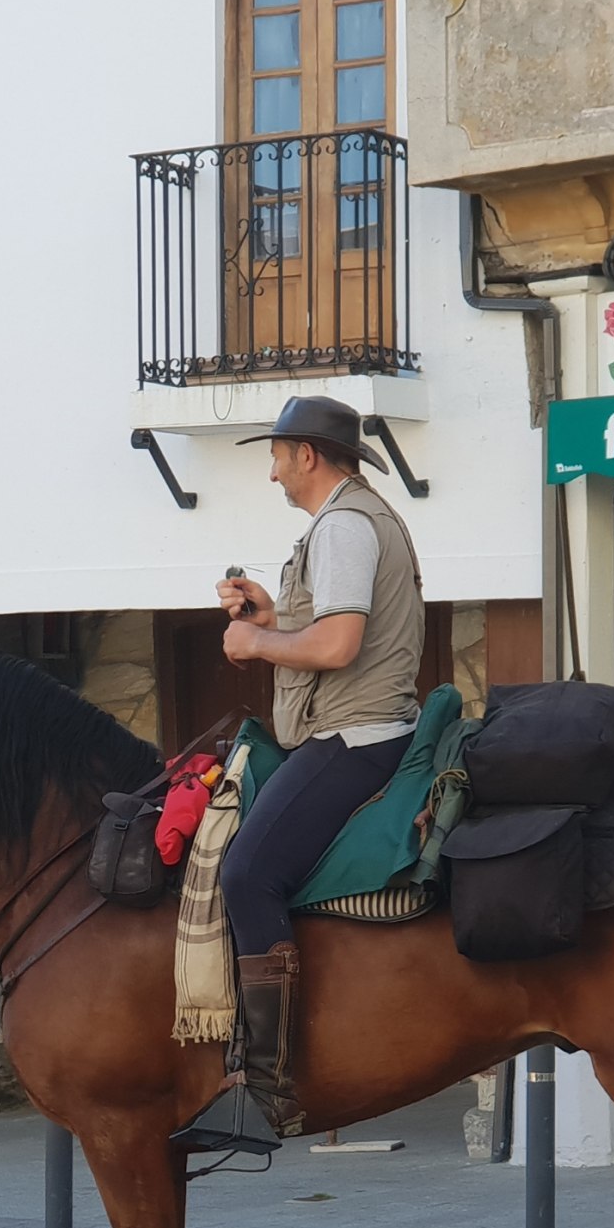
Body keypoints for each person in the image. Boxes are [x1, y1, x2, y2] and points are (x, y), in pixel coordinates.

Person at [171, 395, 424, 1156]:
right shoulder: (349, 520)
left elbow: (341, 645)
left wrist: (252, 641)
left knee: (247, 874)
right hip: (356, 728)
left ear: (308, 455)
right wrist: (274, 615)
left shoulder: (344, 526)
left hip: (355, 736)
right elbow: (328, 628)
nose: (272, 468)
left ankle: (268, 1089)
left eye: (277, 453)